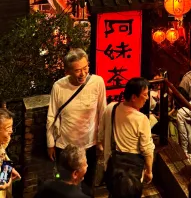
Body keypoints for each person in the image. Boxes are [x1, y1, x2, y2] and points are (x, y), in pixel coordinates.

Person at [46, 48, 106, 197]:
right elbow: (51, 117)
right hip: (65, 146)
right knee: (63, 184)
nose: (83, 73)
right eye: (78, 70)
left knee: (87, 184)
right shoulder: (59, 86)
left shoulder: (97, 82)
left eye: (85, 68)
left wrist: (100, 139)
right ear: (67, 71)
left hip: (89, 144)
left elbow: (102, 112)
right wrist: (50, 143)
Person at [98, 78, 154, 196]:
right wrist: (149, 171)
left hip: (112, 168)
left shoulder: (111, 108)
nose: (147, 98)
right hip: (132, 174)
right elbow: (147, 150)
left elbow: (101, 134)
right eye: (144, 95)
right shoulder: (141, 119)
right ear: (134, 97)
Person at [0, 109, 21, 197]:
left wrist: (9, 169)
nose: (11, 131)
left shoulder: (2, 143)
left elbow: (3, 155)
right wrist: (1, 186)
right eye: (8, 128)